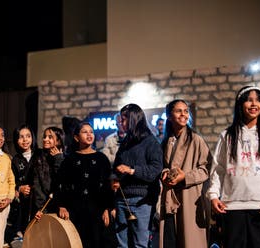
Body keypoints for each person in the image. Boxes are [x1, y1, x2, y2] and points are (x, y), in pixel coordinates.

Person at [207, 86, 260, 248]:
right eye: (249, 100)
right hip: (232, 206)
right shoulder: (227, 135)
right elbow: (218, 169)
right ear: (240, 104)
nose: (254, 104)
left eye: (258, 100)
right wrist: (213, 195)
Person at [159, 99, 211, 248]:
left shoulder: (196, 140)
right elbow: (163, 166)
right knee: (171, 240)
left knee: (189, 240)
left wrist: (185, 177)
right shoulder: (166, 141)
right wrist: (165, 173)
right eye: (178, 111)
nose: (183, 114)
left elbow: (206, 169)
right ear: (169, 116)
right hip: (170, 197)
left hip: (190, 196)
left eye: (186, 111)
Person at [111, 103, 163, 248]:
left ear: (133, 119)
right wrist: (114, 178)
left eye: (123, 119)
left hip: (142, 201)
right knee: (122, 245)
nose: (121, 123)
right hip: (122, 199)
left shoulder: (151, 142)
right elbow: (116, 167)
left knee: (140, 244)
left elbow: (155, 170)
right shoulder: (125, 143)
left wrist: (132, 170)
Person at [56, 122, 114, 248]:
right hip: (75, 210)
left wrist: (107, 208)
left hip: (97, 211)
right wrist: (61, 205)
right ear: (76, 137)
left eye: (91, 132)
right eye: (85, 132)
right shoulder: (69, 160)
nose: (89, 134)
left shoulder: (101, 158)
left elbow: (107, 186)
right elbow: (61, 184)